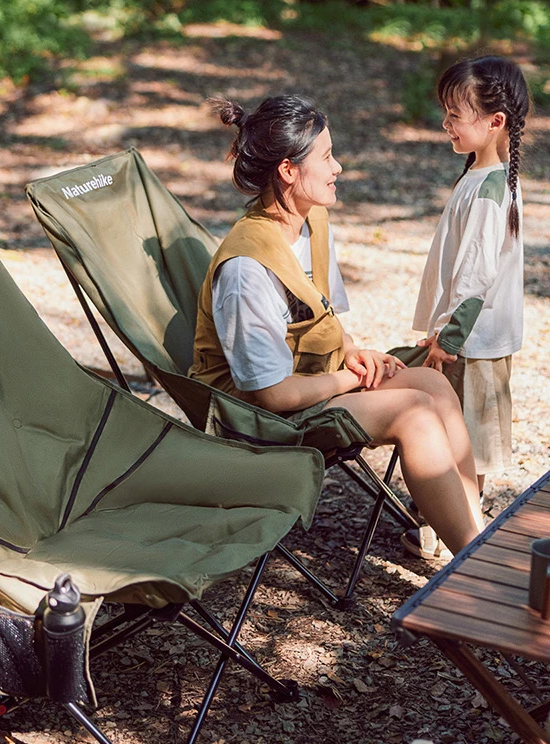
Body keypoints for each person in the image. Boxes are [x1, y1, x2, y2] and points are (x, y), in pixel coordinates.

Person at [189, 94, 484, 558]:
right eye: (326, 157)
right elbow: (272, 395)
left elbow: (322, 314)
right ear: (288, 170)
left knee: (433, 384)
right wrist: (349, 378)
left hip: (313, 381)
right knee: (415, 412)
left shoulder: (310, 223)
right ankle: (478, 569)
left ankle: (473, 539)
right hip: (257, 418)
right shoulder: (247, 269)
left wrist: (351, 351)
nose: (339, 167)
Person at [412, 56, 529, 503]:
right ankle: (452, 520)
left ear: (495, 121)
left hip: (472, 343)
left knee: (464, 443)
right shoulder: (482, 177)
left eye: (455, 115)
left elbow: (478, 275)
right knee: (457, 435)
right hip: (465, 337)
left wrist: (451, 337)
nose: (446, 123)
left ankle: (457, 528)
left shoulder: (490, 189)